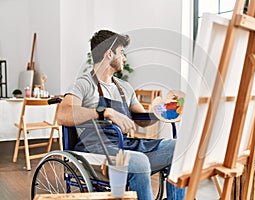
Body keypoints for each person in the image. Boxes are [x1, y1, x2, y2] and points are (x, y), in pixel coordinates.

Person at [57, 29, 185, 200]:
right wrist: (105, 112)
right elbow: (63, 115)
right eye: (122, 53)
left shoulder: (125, 88)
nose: (124, 58)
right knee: (138, 162)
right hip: (95, 151)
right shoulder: (84, 84)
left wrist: (164, 110)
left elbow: (144, 120)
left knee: (179, 147)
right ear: (109, 54)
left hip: (126, 146)